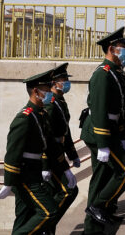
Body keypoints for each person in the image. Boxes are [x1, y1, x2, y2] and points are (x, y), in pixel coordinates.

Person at [0, 69, 77, 235]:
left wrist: (66, 169)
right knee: (49, 212)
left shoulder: (41, 114)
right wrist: (8, 182)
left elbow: (52, 148)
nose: (48, 93)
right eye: (45, 90)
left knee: (24, 216)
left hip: (34, 172)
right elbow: (12, 153)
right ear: (35, 92)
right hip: (24, 176)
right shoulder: (24, 118)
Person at [80, 27, 125, 233]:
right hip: (99, 133)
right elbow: (99, 112)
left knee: (101, 176)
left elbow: (121, 107)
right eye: (123, 47)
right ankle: (99, 206)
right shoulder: (103, 75)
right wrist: (104, 144)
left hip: (110, 131)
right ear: (112, 49)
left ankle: (93, 227)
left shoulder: (116, 72)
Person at [43, 63, 80, 228]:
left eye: (66, 78)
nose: (66, 82)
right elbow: (45, 138)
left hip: (58, 153)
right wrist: (45, 164)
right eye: (63, 79)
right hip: (51, 157)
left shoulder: (59, 100)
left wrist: (73, 154)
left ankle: (48, 227)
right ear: (54, 82)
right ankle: (44, 225)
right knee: (68, 191)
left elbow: (65, 131)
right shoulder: (50, 103)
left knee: (56, 194)